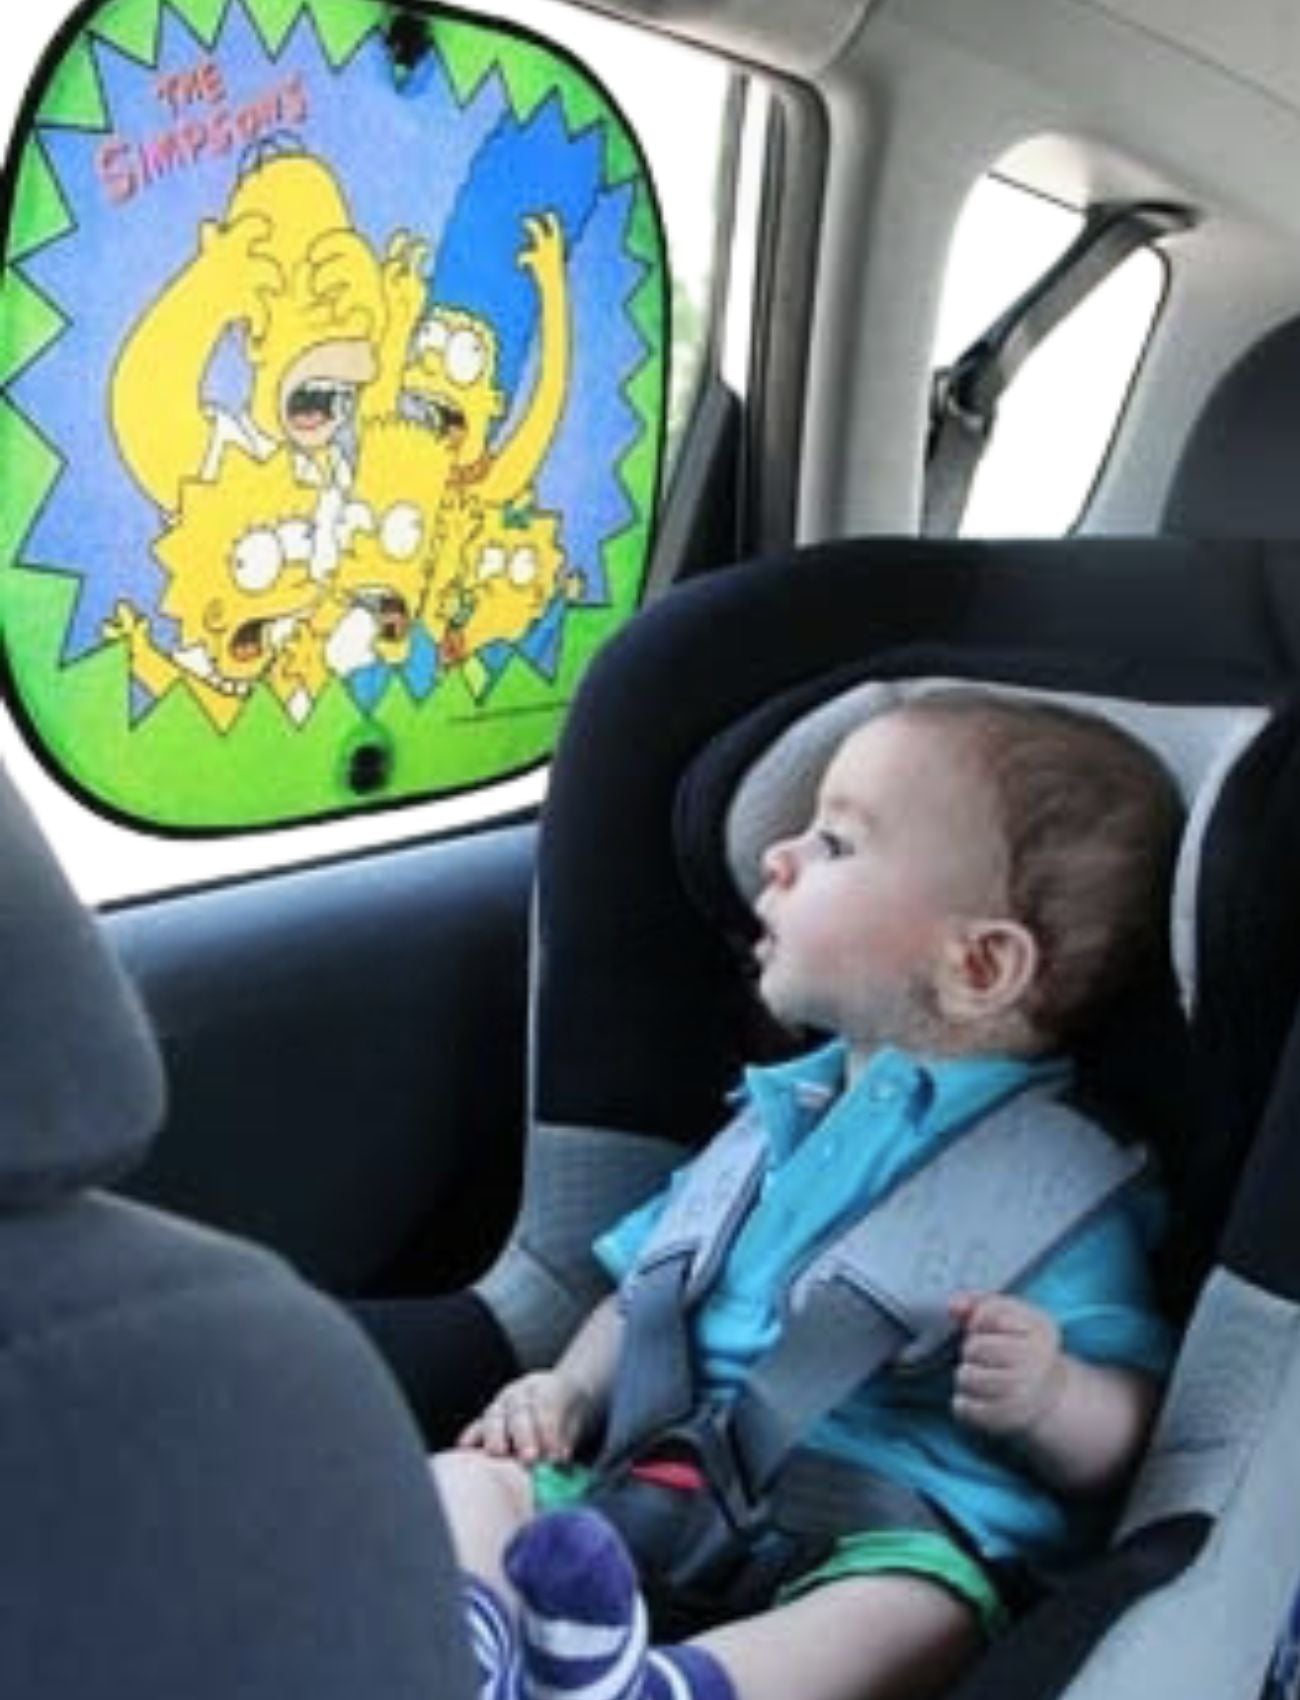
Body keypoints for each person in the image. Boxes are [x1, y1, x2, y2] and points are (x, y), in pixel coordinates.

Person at [433, 689, 1185, 1700]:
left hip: (880, 1527)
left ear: (979, 962)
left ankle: (666, 1686)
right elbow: (648, 1290)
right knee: (466, 1477)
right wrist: (567, 1389)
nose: (776, 856)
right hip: (656, 1477)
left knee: (917, 1615)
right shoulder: (773, 1115)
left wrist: (1052, 1397)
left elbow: (1134, 1430)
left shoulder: (1053, 1184)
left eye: (833, 842)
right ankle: (474, 1644)